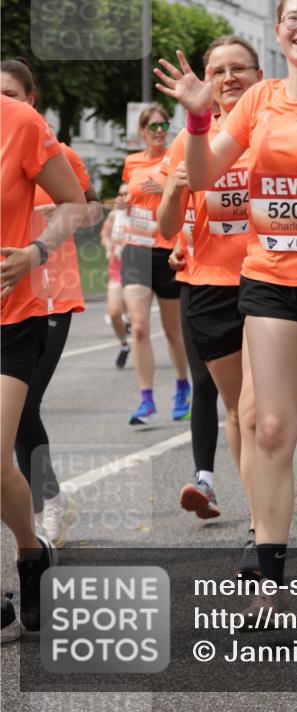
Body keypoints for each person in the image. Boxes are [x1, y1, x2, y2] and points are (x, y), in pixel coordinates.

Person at [155, 0, 297, 619]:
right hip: (271, 279)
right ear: (279, 30)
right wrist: (198, 120)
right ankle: (270, 577)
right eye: (292, 18)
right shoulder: (258, 98)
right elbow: (204, 175)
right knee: (271, 426)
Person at [156, 36, 261, 571]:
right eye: (218, 71)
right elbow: (167, 226)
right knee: (241, 411)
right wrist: (176, 191)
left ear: (259, 74)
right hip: (210, 286)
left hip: (272, 280)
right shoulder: (190, 139)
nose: (229, 78)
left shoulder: (273, 128)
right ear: (207, 80)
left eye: (239, 68)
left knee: (263, 411)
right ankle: (260, 523)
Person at [1, 59, 102, 549]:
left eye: (12, 94)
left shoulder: (54, 150)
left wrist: (45, 223)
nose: (6, 102)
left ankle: (48, 501)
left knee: (25, 405)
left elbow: (89, 205)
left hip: (49, 295)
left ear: (30, 98)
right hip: (12, 289)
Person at [1, 92, 86, 639]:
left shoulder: (20, 122)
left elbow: (75, 204)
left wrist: (35, 251)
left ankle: (30, 554)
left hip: (11, 314)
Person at [121, 105, 190, 426]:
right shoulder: (131, 162)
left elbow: (190, 197)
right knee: (138, 326)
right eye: (153, 126)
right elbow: (130, 197)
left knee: (173, 331)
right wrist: (125, 202)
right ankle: (146, 399)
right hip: (136, 248)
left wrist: (166, 190)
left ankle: (182, 385)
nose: (159, 131)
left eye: (164, 125)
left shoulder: (177, 158)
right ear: (142, 131)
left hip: (167, 250)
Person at [100, 183, 131, 368]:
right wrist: (108, 247)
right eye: (121, 194)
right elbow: (105, 236)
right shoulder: (114, 215)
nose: (122, 198)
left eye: (127, 194)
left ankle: (131, 322)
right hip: (117, 269)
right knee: (113, 313)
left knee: (137, 318)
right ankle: (124, 345)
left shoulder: (142, 215)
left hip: (138, 269)